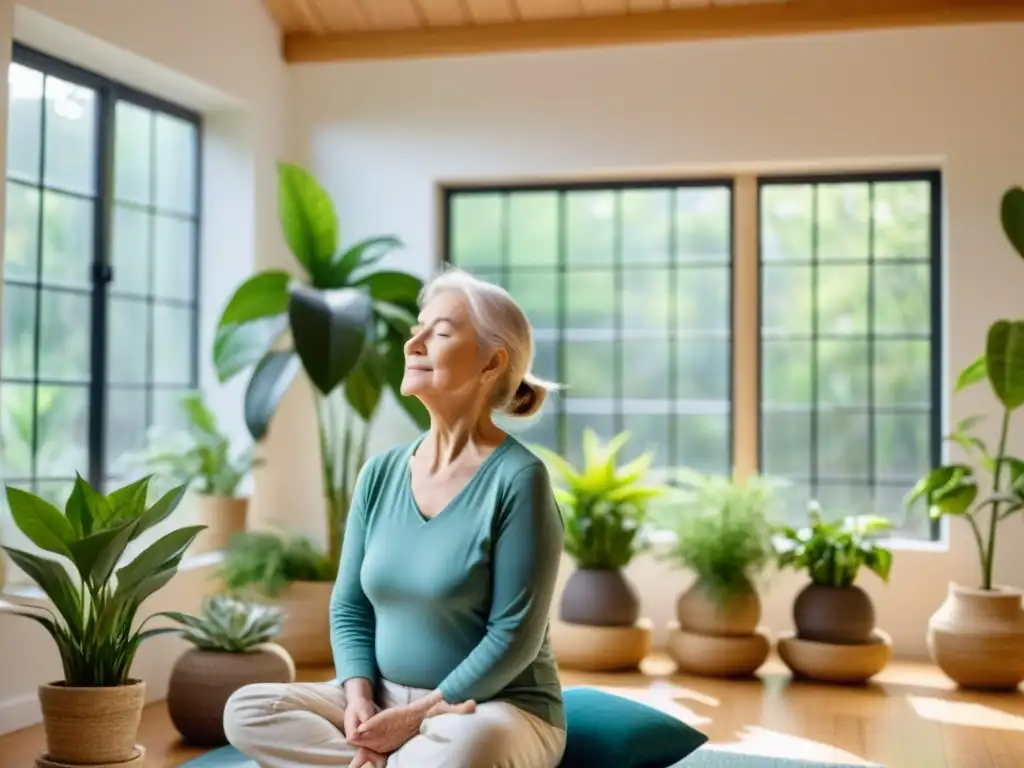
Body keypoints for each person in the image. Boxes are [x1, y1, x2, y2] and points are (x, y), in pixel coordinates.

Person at [223, 266, 567, 768]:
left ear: (492, 364)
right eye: (416, 331)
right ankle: (387, 757)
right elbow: (350, 608)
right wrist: (360, 699)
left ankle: (386, 754)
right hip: (382, 698)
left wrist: (417, 718)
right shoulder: (379, 474)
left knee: (470, 749)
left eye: (441, 333)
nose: (414, 344)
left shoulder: (520, 480)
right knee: (247, 710)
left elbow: (513, 638)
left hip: (492, 710)